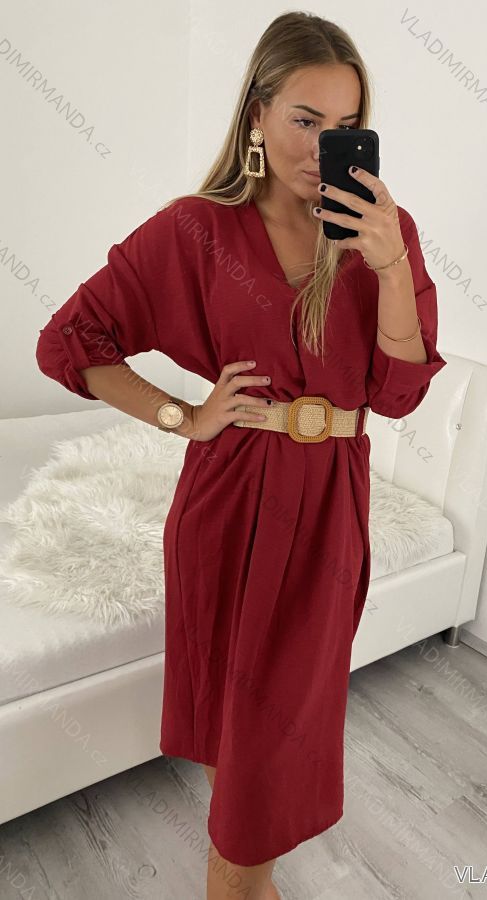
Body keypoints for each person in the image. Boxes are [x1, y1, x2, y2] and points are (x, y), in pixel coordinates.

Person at [35, 10, 446, 900]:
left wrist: (387, 266)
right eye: (305, 119)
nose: (322, 146)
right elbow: (70, 340)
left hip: (329, 507)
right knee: (241, 736)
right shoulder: (198, 229)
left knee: (274, 737)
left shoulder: (385, 231)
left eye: (345, 127)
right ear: (257, 114)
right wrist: (182, 415)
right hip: (227, 498)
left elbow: (398, 394)